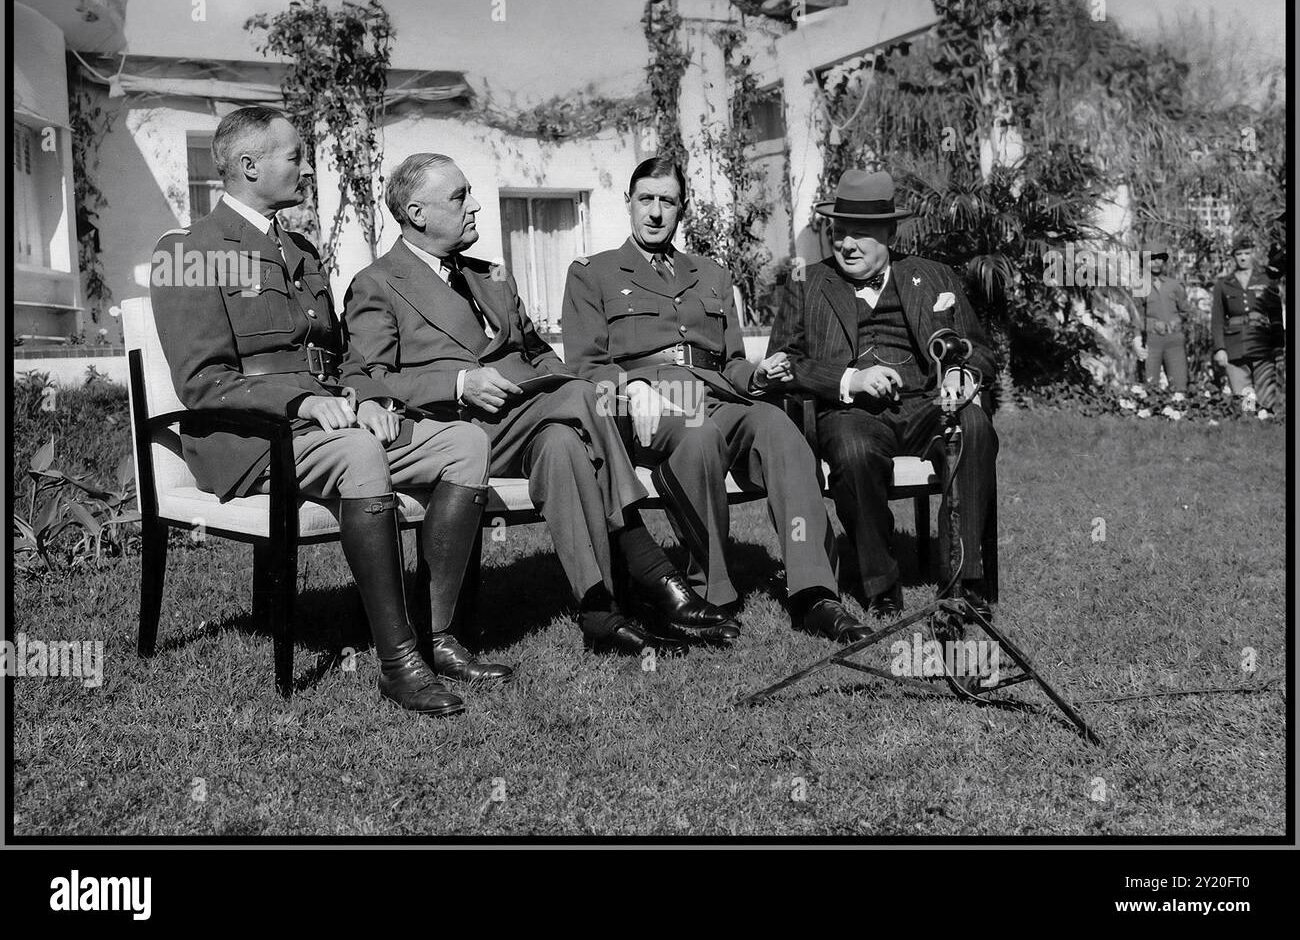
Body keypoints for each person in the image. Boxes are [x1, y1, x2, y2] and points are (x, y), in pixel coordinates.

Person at [150, 107, 504, 718]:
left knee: (464, 445)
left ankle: (438, 636)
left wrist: (365, 399)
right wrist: (305, 401)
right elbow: (203, 381)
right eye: (295, 156)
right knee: (361, 454)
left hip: (325, 420)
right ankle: (399, 663)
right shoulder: (189, 251)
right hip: (249, 436)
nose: (309, 167)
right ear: (248, 165)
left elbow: (336, 356)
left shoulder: (299, 248)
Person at [343, 153, 736, 658]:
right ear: (417, 214)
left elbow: (537, 351)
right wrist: (457, 382)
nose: (476, 206)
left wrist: (546, 380)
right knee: (580, 394)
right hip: (454, 434)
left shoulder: (492, 277)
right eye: (461, 197)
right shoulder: (377, 283)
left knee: (563, 444)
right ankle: (650, 567)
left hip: (527, 417)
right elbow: (367, 377)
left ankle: (600, 612)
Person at [562, 157, 870, 644]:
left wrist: (759, 374)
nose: (656, 212)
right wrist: (629, 387)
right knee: (698, 434)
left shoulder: (710, 274)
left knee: (779, 430)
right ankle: (712, 592)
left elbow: (730, 363)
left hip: (715, 394)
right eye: (647, 199)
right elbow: (584, 365)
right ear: (628, 203)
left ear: (681, 209)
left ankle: (814, 592)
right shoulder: (592, 273)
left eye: (668, 201)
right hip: (643, 405)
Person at [767, 170, 999, 619]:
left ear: (889, 233)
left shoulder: (934, 277)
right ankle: (882, 585)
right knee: (853, 452)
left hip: (930, 404)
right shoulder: (807, 282)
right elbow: (782, 363)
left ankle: (964, 581)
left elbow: (980, 350)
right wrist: (847, 379)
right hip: (853, 413)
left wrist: (962, 374)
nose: (847, 244)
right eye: (839, 233)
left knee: (972, 425)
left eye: (861, 234)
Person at [1213, 235, 1281, 418]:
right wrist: (1220, 348)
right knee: (1245, 394)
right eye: (1239, 254)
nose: (1243, 257)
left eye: (1247, 253)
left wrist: (1278, 345)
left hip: (1262, 344)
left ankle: (1267, 422)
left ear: (1253, 254)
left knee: (1266, 394)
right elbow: (1217, 319)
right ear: (1233, 257)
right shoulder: (1223, 284)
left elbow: (1276, 316)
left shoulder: (1266, 280)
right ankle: (1250, 423)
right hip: (1235, 346)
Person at [1133, 240, 1189, 400]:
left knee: (1179, 383)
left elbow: (1185, 311)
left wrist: (1178, 322)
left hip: (1174, 340)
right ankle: (1152, 415)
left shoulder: (1174, 285)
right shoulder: (1139, 286)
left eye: (1160, 258)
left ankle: (1179, 413)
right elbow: (1136, 317)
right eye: (1152, 258)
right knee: (1150, 383)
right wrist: (1138, 339)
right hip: (1152, 340)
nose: (1156, 262)